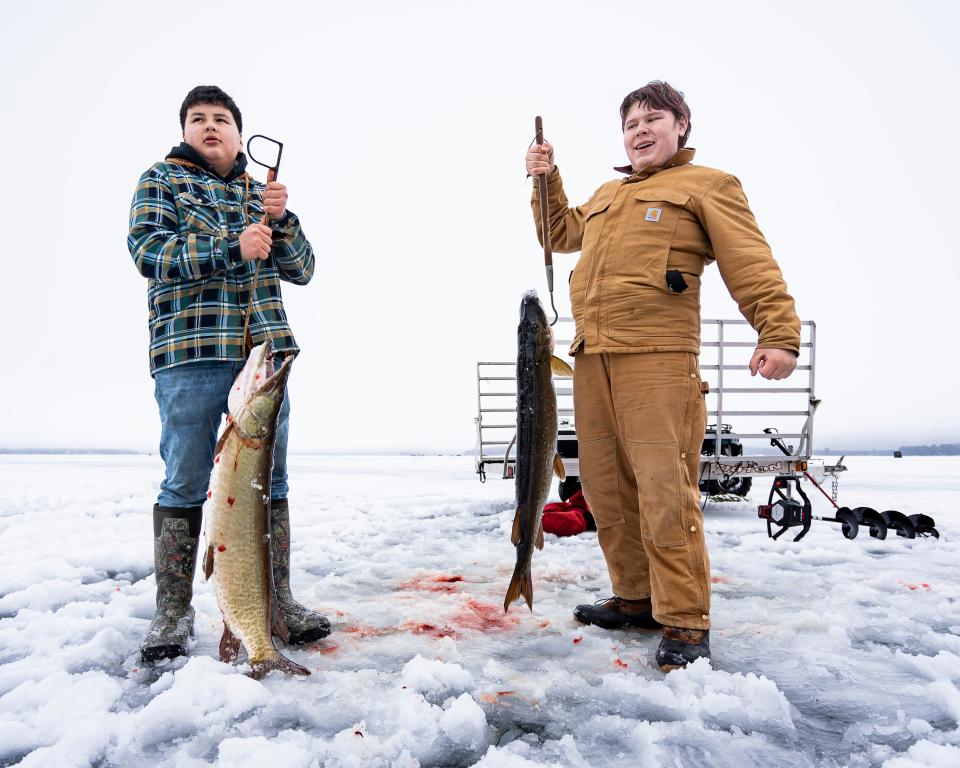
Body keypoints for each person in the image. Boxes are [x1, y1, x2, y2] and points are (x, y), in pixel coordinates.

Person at [525, 81, 800, 671]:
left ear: (682, 126)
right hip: (591, 357)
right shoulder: (605, 195)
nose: (640, 130)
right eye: (630, 124)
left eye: (653, 119)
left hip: (658, 357)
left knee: (663, 491)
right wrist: (545, 181)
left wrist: (777, 333)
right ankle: (635, 597)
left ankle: (685, 620)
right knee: (605, 488)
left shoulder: (708, 185)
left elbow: (749, 261)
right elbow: (557, 235)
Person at [128, 85, 330, 662]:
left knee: (272, 485)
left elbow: (304, 269)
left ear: (240, 135)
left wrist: (281, 220)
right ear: (185, 131)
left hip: (263, 361)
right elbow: (150, 252)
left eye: (221, 119)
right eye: (198, 119)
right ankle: (172, 613)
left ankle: (277, 600)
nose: (210, 127)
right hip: (190, 353)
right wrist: (230, 246)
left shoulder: (258, 193)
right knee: (186, 482)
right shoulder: (160, 181)